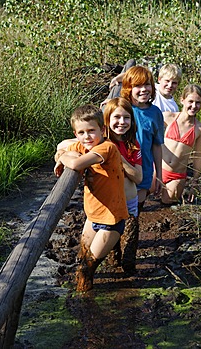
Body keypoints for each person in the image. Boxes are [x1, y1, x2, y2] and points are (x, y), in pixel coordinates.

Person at [54, 104, 128, 292]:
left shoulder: (106, 148)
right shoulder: (82, 145)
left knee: (87, 267)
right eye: (81, 132)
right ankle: (84, 292)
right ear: (76, 133)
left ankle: (85, 301)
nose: (87, 137)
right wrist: (60, 155)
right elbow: (61, 149)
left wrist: (63, 159)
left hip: (111, 220)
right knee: (81, 258)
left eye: (91, 131)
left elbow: (77, 163)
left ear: (103, 130)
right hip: (92, 217)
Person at [103, 97, 142, 273]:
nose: (122, 122)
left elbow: (138, 177)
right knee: (112, 252)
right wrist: (60, 156)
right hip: (110, 205)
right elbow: (69, 144)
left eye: (126, 118)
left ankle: (131, 278)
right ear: (107, 119)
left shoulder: (132, 144)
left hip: (130, 203)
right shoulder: (100, 143)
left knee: (129, 251)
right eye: (116, 117)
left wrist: (119, 157)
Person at [120, 66, 164, 213]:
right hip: (122, 171)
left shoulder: (155, 113)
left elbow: (157, 146)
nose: (144, 89)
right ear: (128, 88)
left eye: (147, 85)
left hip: (144, 170)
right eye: (138, 86)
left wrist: (158, 174)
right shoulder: (121, 110)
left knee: (135, 212)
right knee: (120, 213)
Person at [161, 84, 201, 205]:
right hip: (159, 169)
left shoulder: (200, 129)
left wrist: (195, 182)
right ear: (182, 100)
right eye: (190, 101)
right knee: (143, 195)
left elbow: (198, 156)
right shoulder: (167, 117)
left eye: (198, 103)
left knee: (167, 202)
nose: (194, 106)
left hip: (177, 175)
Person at [106, 60, 182, 112]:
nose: (170, 85)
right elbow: (133, 76)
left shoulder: (174, 107)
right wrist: (117, 79)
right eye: (167, 81)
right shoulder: (151, 88)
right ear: (159, 79)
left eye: (174, 83)